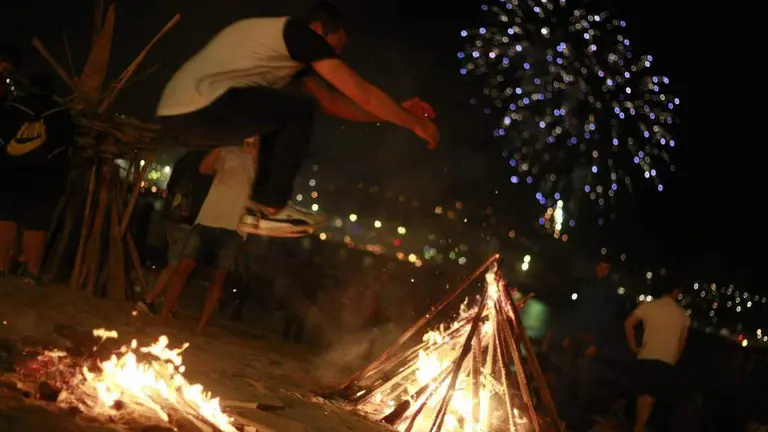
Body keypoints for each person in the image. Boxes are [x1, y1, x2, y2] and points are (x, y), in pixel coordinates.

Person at [155, 1, 439, 237]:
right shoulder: (296, 34)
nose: (333, 56)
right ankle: (268, 203)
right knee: (297, 111)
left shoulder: (285, 55)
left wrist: (397, 114)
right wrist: (415, 123)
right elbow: (360, 91)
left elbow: (333, 103)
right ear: (317, 29)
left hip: (181, 115)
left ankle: (258, 204)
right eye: (333, 47)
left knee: (283, 113)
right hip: (196, 107)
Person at [159, 138, 258, 333]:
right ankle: (163, 315)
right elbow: (204, 168)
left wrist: (255, 156)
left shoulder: (260, 161)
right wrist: (222, 143)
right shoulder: (228, 151)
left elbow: (261, 188)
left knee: (218, 277)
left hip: (234, 227)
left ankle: (200, 326)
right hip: (207, 220)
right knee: (183, 267)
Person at [0, 73, 74, 283]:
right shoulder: (61, 114)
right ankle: (32, 271)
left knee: (6, 219)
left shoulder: (14, 108)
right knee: (37, 225)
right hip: (45, 179)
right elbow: (67, 148)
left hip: (11, 173)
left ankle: (1, 265)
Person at [133, 149, 213, 315]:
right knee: (175, 264)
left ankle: (168, 304)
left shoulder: (185, 159)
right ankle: (149, 300)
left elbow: (170, 187)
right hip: (185, 220)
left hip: (174, 218)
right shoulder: (204, 165)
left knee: (176, 264)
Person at [624, 285, 690, 432]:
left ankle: (638, 425)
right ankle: (639, 426)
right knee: (651, 395)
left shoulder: (650, 306)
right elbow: (682, 341)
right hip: (666, 358)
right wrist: (675, 357)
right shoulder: (682, 315)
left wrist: (633, 346)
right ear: (676, 292)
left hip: (647, 354)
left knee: (644, 393)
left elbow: (628, 324)